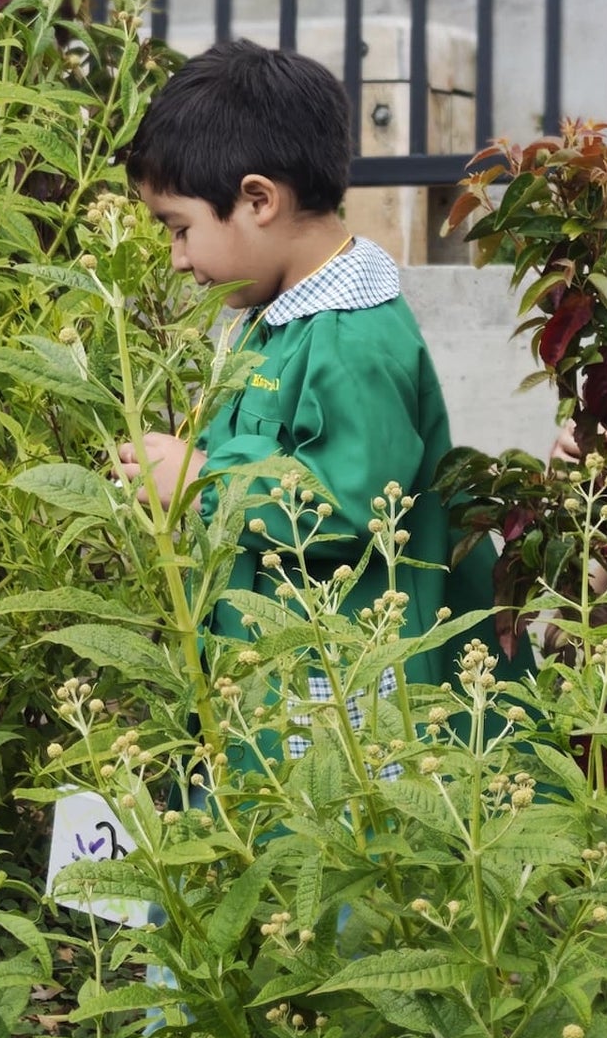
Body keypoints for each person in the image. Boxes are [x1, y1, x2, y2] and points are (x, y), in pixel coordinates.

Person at [111, 40, 493, 686]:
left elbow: (353, 502)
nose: (177, 257)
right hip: (285, 669)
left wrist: (205, 482)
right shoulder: (284, 318)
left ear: (259, 200)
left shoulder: (351, 337)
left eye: (179, 228)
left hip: (351, 692)